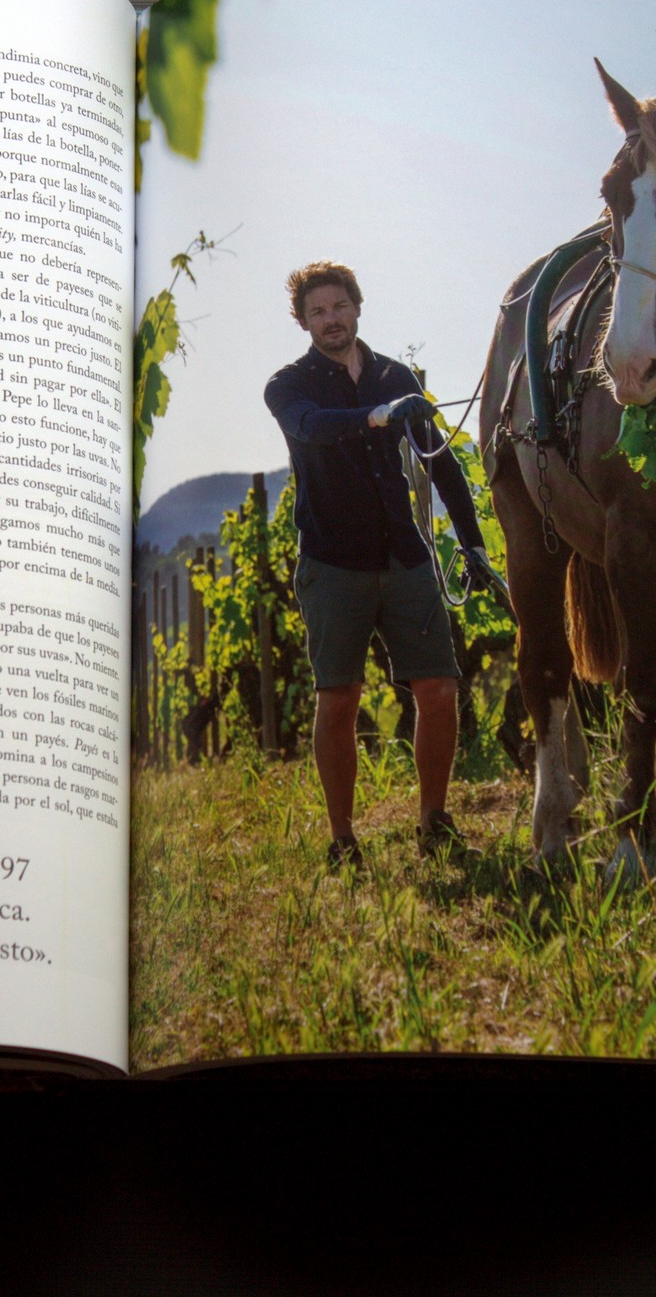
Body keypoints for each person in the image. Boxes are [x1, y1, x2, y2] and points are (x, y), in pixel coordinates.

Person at [263, 262, 497, 867]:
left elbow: (440, 461)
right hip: (333, 561)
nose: (330, 319)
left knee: (439, 688)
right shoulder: (289, 386)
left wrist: (472, 544)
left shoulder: (398, 376)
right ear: (302, 321)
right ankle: (343, 840)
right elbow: (311, 429)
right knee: (339, 698)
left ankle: (434, 823)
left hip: (406, 556)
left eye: (339, 306)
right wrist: (378, 415)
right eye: (317, 312)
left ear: (357, 308)